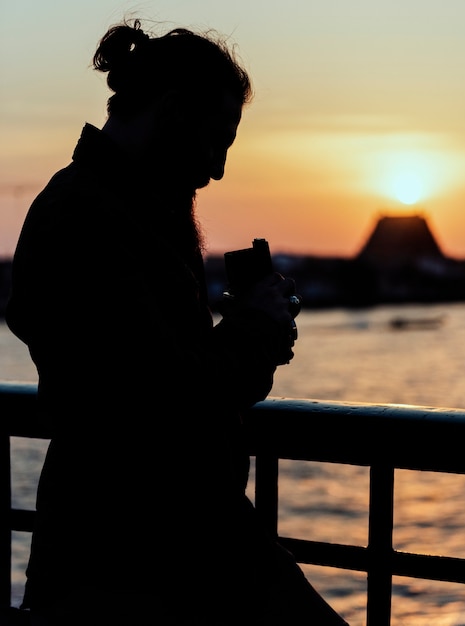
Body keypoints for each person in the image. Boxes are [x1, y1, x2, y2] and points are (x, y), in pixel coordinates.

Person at [6, 18, 349, 626]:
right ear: (170, 112)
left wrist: (254, 331)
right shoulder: (88, 219)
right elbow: (170, 397)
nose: (216, 170)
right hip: (136, 557)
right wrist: (257, 326)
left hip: (163, 544)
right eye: (216, 141)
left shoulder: (117, 210)